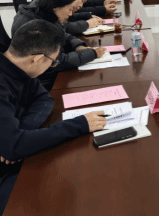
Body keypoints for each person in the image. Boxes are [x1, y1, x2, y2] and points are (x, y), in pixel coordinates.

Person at [0, 20, 107, 214]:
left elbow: (43, 99)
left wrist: (22, 132)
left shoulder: (19, 69)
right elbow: (14, 147)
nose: (53, 65)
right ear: (38, 59)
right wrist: (80, 124)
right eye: (53, 61)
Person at [11, 0, 106, 91]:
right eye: (70, 9)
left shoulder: (45, 14)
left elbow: (62, 34)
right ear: (56, 7)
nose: (71, 14)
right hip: (42, 81)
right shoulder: (34, 27)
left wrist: (78, 46)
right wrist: (93, 53)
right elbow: (59, 61)